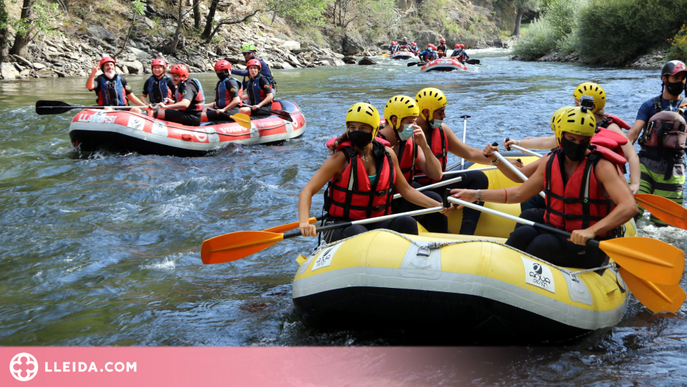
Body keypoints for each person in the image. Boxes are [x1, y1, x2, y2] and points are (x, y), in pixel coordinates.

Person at [452, 106, 638, 269]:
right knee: (522, 233)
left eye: (583, 141)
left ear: (590, 139)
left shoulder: (601, 166)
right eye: (571, 139)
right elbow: (519, 193)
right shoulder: (551, 160)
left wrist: (592, 231)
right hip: (562, 230)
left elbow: (629, 207)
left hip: (591, 243)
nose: (576, 145)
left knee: (541, 244)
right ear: (560, 136)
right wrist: (476, 194)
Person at [299, 103, 452, 242]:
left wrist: (438, 206)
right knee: (359, 232)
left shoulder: (388, 155)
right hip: (342, 224)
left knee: (407, 222)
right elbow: (308, 190)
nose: (356, 132)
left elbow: (406, 190)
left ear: (374, 130)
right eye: (352, 128)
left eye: (363, 128)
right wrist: (304, 222)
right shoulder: (340, 159)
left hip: (375, 221)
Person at [504, 82, 640, 194]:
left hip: (601, 179)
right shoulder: (578, 125)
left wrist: (634, 184)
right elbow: (549, 140)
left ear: (590, 106)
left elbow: (632, 156)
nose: (574, 107)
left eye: (576, 104)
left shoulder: (610, 127)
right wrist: (519, 142)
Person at [413, 87, 491, 234]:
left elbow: (469, 153)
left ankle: (466, 234)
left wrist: (499, 162)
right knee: (435, 197)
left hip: (438, 183)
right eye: (440, 112)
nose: (444, 116)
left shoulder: (442, 130)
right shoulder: (408, 135)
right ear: (425, 112)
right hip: (417, 189)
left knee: (478, 177)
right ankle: (442, 235)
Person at [627, 60, 687, 226]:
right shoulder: (649, 106)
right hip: (645, 165)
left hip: (672, 169)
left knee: (663, 226)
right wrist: (615, 159)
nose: (680, 82)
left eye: (683, 78)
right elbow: (633, 134)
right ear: (664, 79)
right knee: (630, 212)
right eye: (676, 78)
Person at [378, 95, 448, 233]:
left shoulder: (411, 142)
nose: (414, 127)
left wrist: (425, 146)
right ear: (394, 120)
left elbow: (437, 174)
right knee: (410, 218)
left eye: (415, 122)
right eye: (410, 122)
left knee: (434, 197)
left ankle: (443, 238)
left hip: (401, 198)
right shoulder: (375, 146)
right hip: (380, 206)